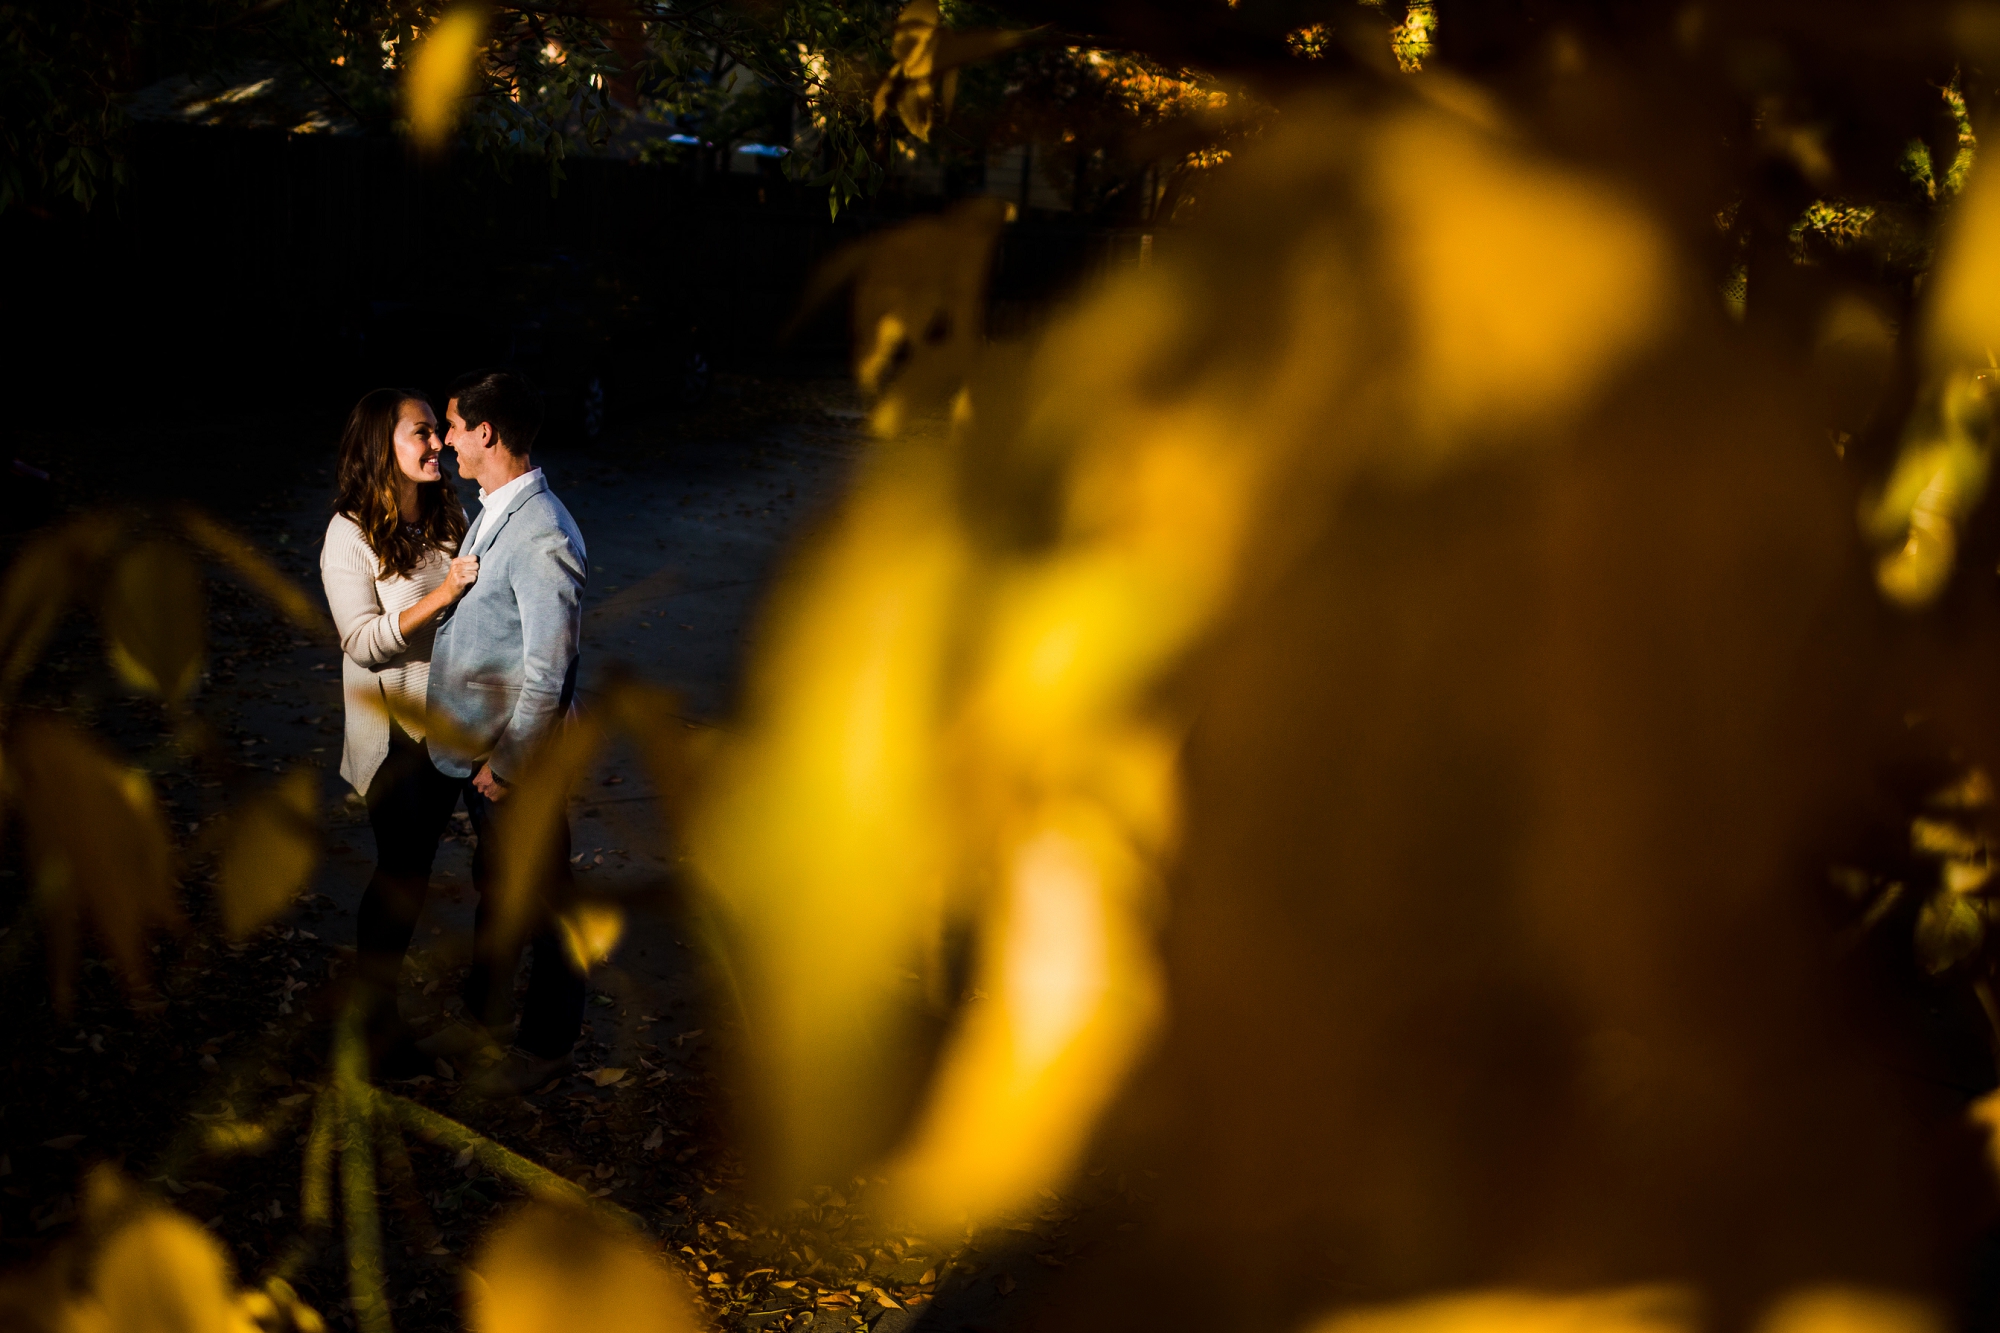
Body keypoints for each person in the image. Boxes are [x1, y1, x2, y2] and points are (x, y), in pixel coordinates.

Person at [422, 368, 590, 1095]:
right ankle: (481, 1013)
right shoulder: (495, 505)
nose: (446, 440)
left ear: (486, 433)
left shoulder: (544, 535)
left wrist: (511, 763)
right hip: (477, 753)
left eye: (454, 426)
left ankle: (547, 1046)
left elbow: (549, 672)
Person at [319, 388, 478, 1076]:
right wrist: (443, 597)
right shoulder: (348, 534)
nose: (437, 443)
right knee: (399, 875)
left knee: (413, 876)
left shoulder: (448, 516)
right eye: (422, 433)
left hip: (446, 726)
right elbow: (361, 641)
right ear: (383, 444)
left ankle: (376, 1020)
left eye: (436, 434)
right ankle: (370, 1029)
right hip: (391, 740)